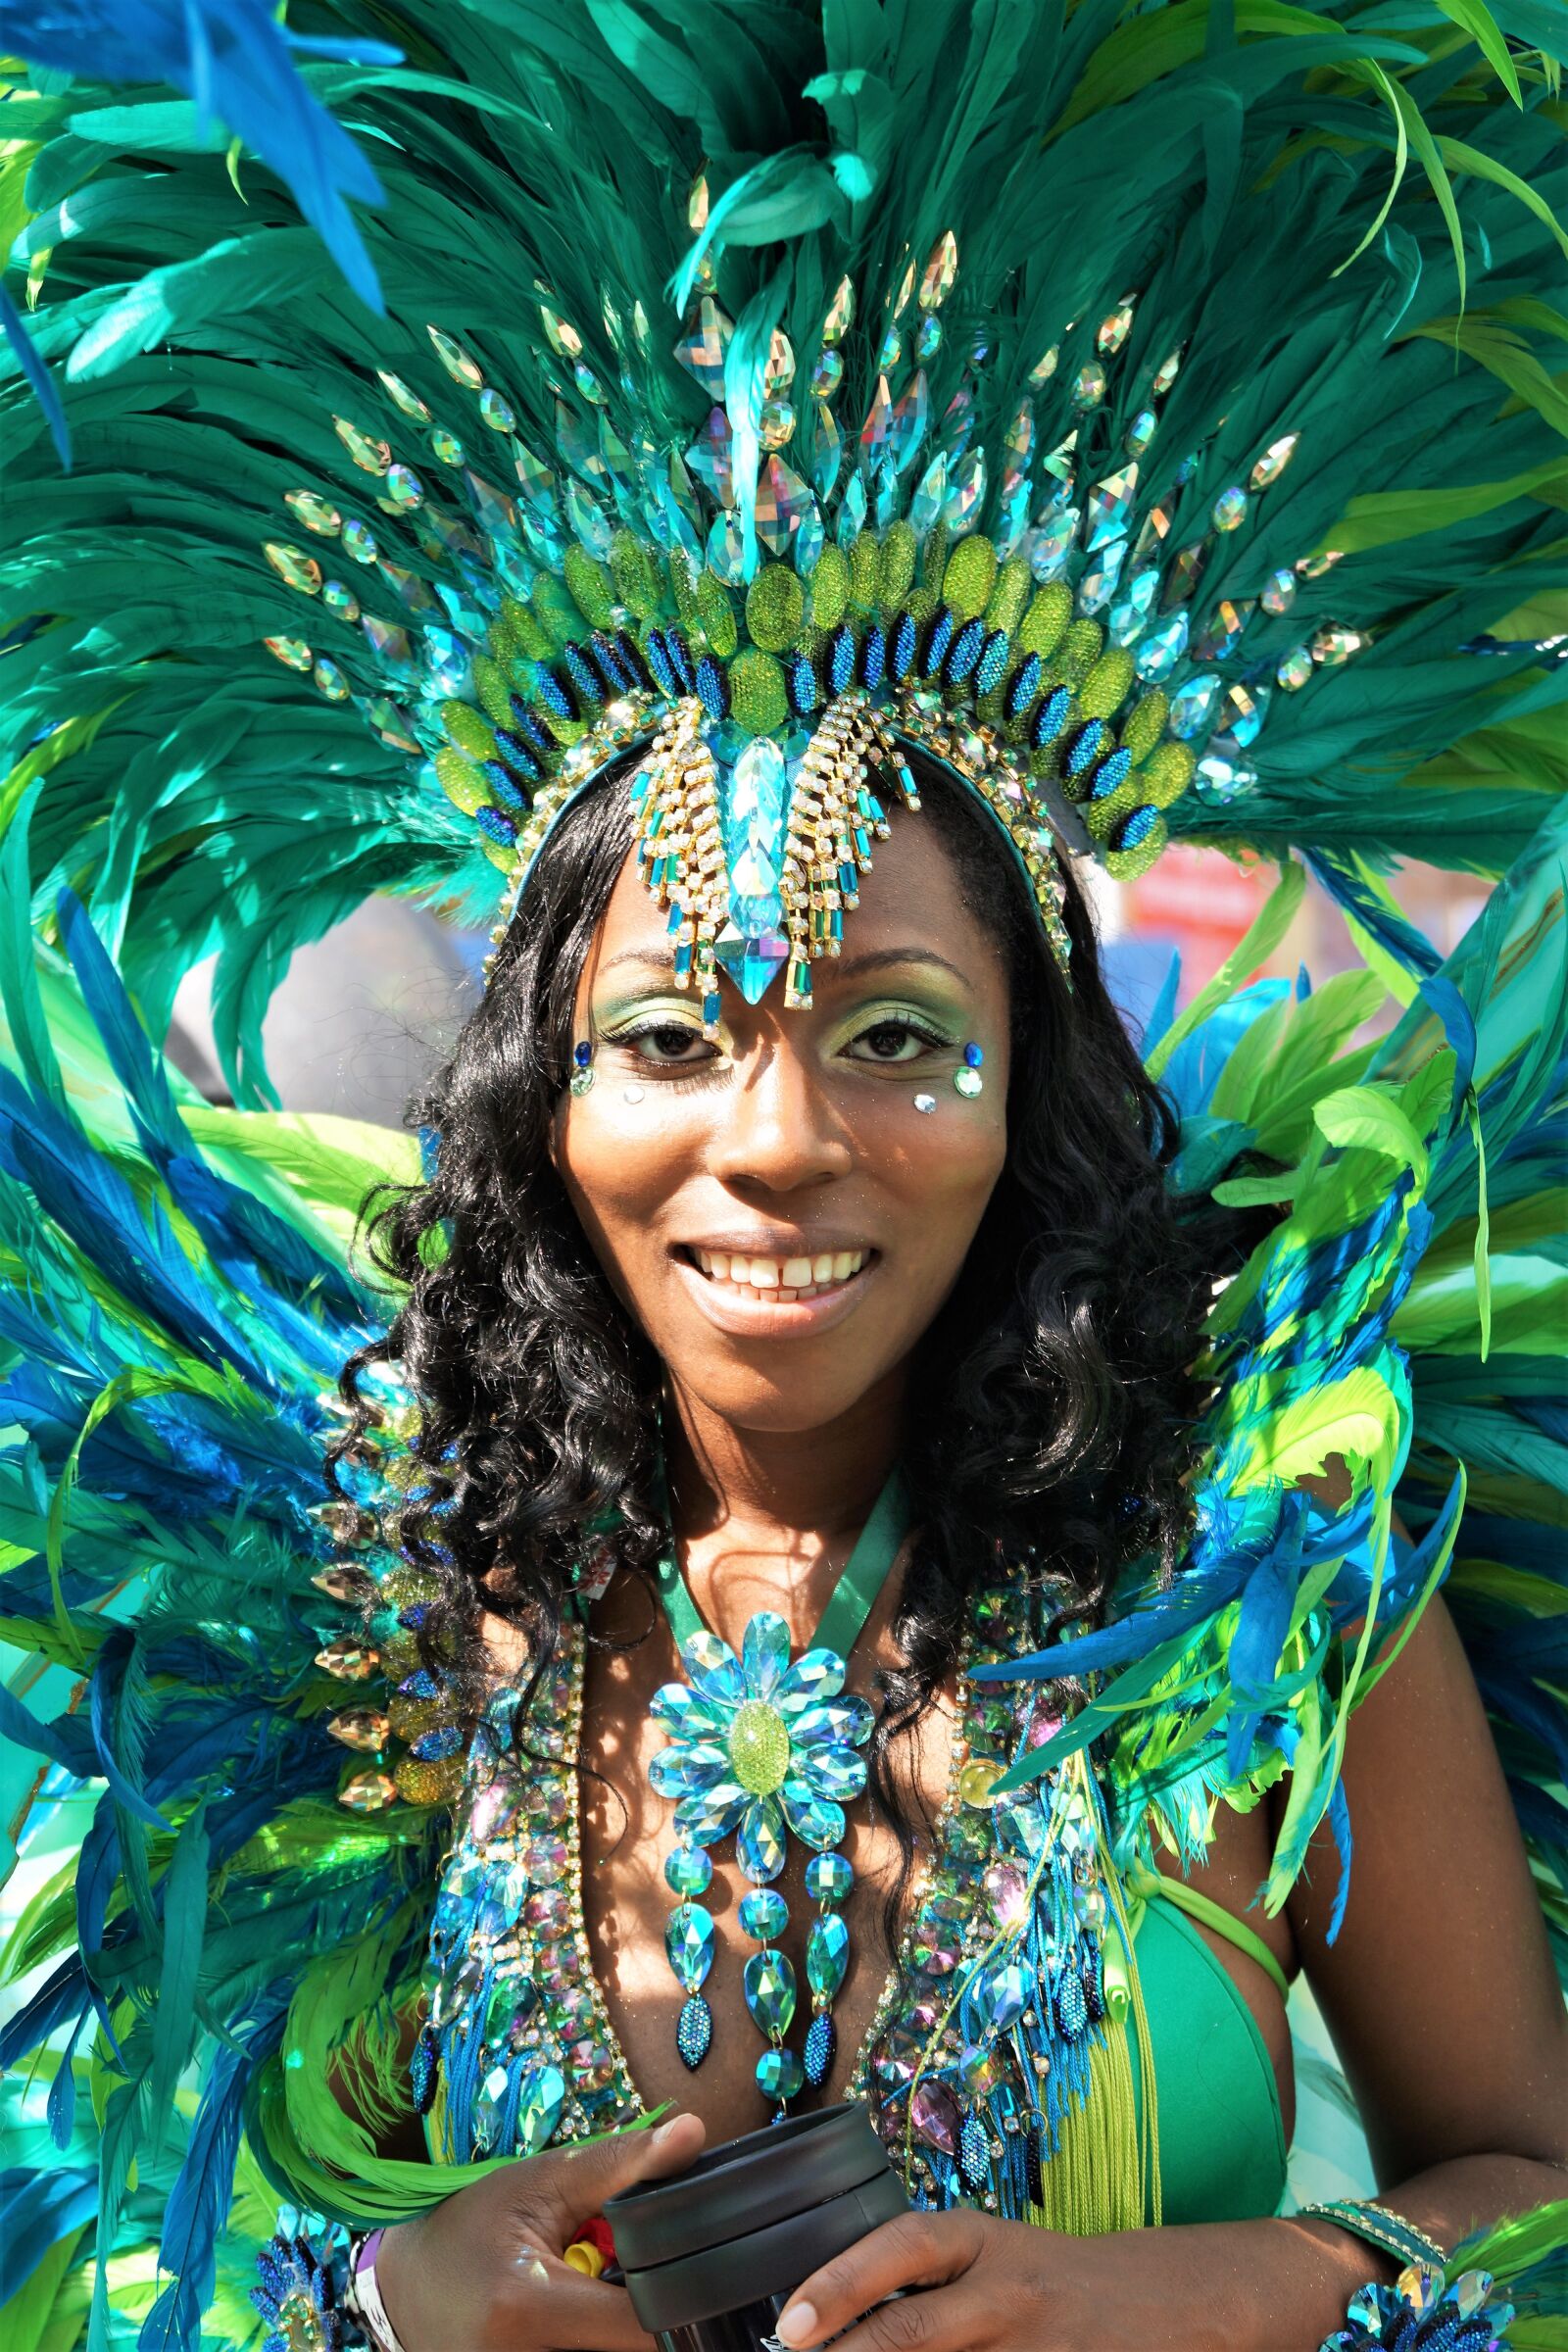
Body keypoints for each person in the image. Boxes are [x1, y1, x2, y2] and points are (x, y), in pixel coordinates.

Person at [0, 10, 1565, 2352]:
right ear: (541, 1100)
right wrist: (377, 2302)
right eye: (664, 1039)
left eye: (895, 1041)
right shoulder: (337, 1594)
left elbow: (1534, 2185)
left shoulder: (1260, 1569)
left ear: (1032, 1095)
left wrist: (1193, 2298)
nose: (774, 1139)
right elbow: (128, 2232)